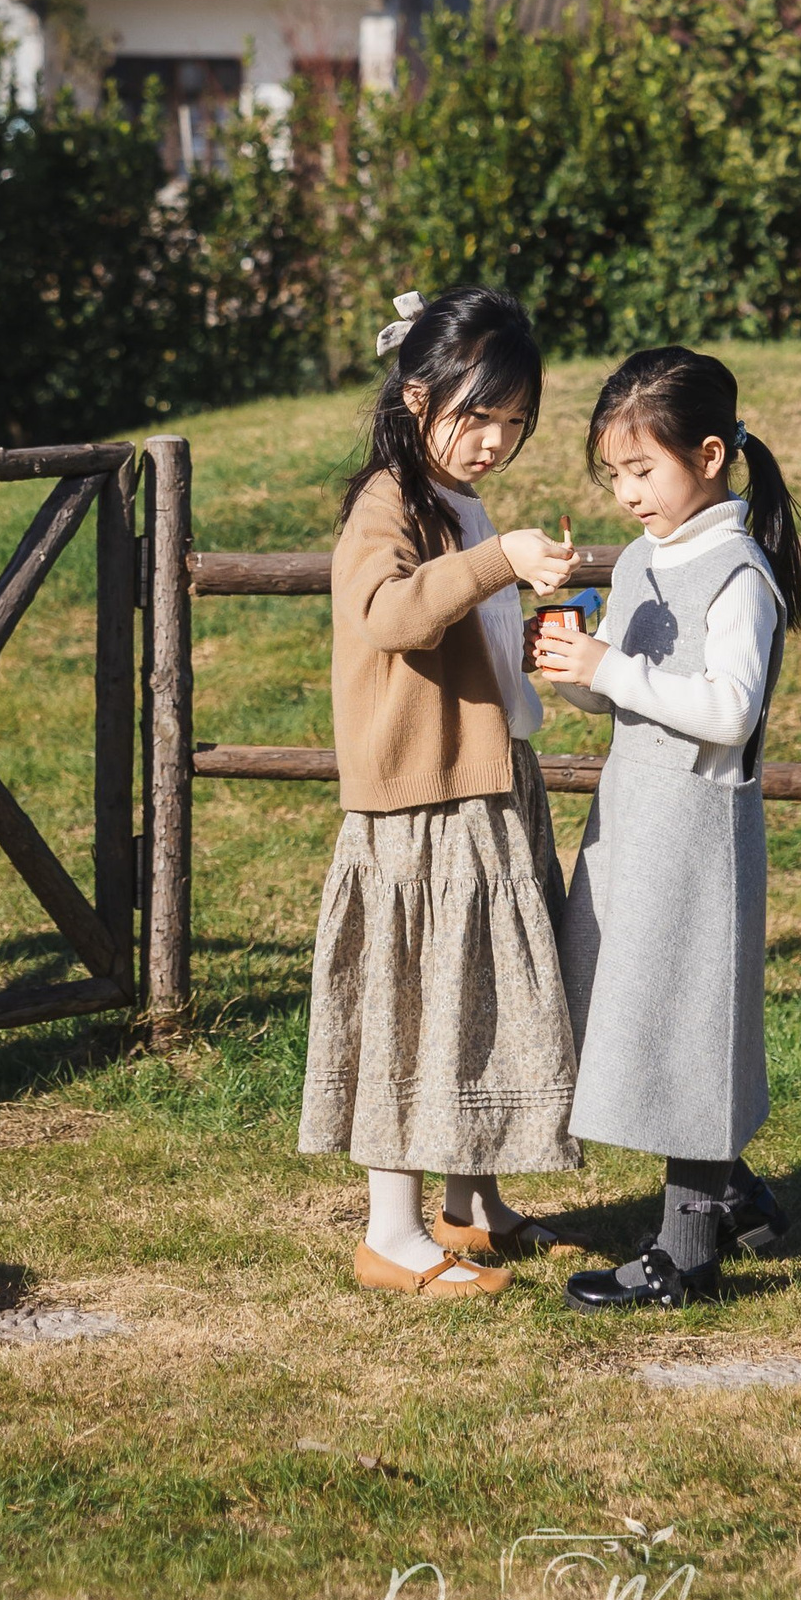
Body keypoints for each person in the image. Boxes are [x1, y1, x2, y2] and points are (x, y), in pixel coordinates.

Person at [298, 283, 585, 1297]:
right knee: (418, 1003)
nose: (494, 440)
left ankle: (471, 1204)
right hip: (420, 800)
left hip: (488, 777)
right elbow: (385, 612)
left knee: (486, 992)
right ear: (416, 394)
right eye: (477, 415)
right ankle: (391, 1232)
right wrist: (495, 561)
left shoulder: (459, 501)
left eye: (513, 422)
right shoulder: (386, 501)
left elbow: (471, 631)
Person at [535, 344, 801, 1309]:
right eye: (614, 476)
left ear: (709, 456)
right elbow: (637, 702)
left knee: (690, 1023)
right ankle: (732, 1194)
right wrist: (576, 671)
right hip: (634, 822)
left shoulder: (736, 571)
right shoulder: (648, 558)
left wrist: (608, 669)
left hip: (698, 834)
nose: (627, 495)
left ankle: (685, 1253)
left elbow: (730, 710)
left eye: (642, 471)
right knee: (631, 1007)